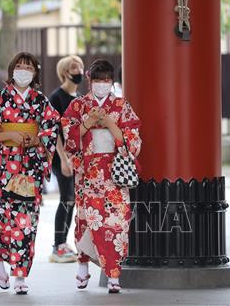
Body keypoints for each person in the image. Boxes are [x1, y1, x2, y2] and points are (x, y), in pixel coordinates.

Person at [0, 52, 60, 295]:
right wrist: (7, 135)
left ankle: (20, 274)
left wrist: (38, 139)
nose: (24, 71)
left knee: (27, 220)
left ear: (35, 73)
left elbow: (52, 126)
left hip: (31, 166)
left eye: (29, 67)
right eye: (20, 66)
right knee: (5, 217)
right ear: (12, 70)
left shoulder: (41, 101)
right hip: (5, 166)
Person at [62, 59, 142, 294]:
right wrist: (87, 123)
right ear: (90, 81)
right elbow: (69, 138)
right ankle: (83, 265)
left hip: (115, 173)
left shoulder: (121, 105)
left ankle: (113, 275)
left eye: (106, 80)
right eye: (97, 80)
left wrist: (108, 123)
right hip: (89, 173)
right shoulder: (78, 105)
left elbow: (133, 142)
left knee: (117, 223)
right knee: (87, 220)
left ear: (112, 81)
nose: (102, 84)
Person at [48, 55, 84, 263]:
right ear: (64, 72)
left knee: (72, 200)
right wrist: (63, 159)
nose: (78, 71)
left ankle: (63, 243)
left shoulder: (79, 98)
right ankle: (58, 246)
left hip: (77, 156)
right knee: (66, 197)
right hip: (61, 156)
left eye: (80, 67)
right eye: (73, 67)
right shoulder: (56, 97)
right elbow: (54, 132)